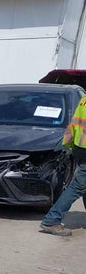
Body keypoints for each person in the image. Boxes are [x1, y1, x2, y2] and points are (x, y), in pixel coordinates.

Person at [39, 94, 86, 236]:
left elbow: (75, 123)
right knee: (79, 185)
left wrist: (70, 143)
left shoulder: (84, 98)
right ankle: (51, 220)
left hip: (80, 145)